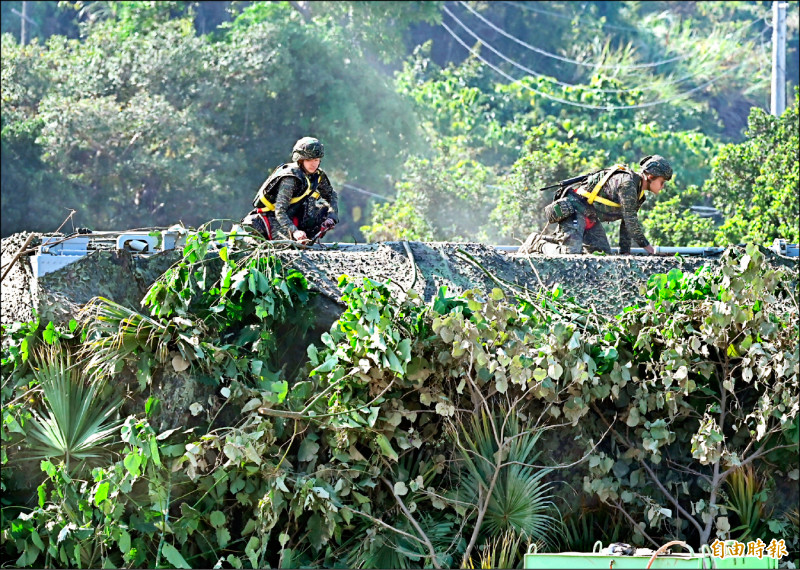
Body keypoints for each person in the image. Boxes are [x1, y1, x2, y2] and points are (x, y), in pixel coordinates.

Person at [544, 155, 673, 255]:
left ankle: (561, 241)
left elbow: (626, 223)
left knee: (602, 256)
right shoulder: (628, 184)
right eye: (662, 182)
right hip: (576, 210)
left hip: (591, 217)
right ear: (650, 176)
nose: (662, 187)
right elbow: (630, 222)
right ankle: (538, 244)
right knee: (569, 255)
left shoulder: (639, 194)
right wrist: (650, 249)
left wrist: (625, 251)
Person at [242, 137, 339, 244]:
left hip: (293, 215)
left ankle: (308, 237)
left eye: (316, 160)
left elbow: (331, 195)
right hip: (272, 217)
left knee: (320, 208)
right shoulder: (290, 179)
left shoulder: (317, 175)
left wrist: (331, 217)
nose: (313, 164)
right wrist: (295, 231)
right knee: (289, 245)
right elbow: (280, 211)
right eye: (309, 160)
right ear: (300, 160)